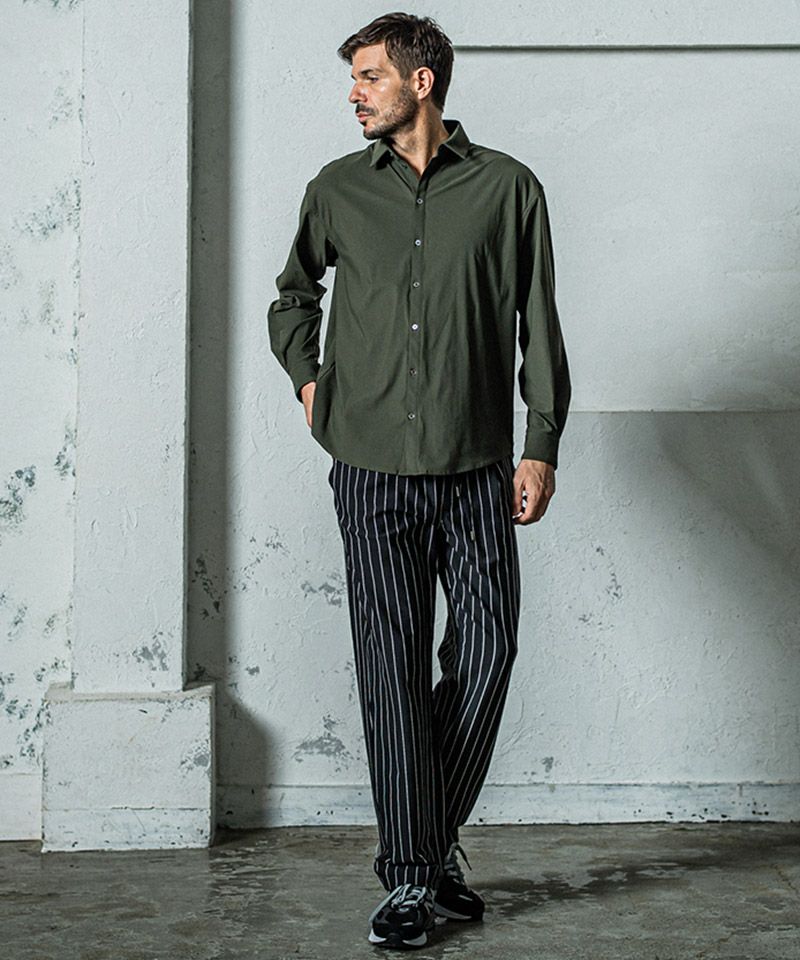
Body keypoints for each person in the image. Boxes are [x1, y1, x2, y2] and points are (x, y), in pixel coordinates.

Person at [267, 12, 571, 950]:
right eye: (354, 77)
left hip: (477, 466)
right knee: (390, 673)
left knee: (486, 655)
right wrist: (309, 379)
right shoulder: (335, 189)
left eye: (369, 76)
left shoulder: (508, 188)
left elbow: (539, 322)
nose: (354, 92)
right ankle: (411, 877)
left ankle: (423, 846)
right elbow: (292, 296)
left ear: (421, 81)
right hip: (369, 470)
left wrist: (541, 442)